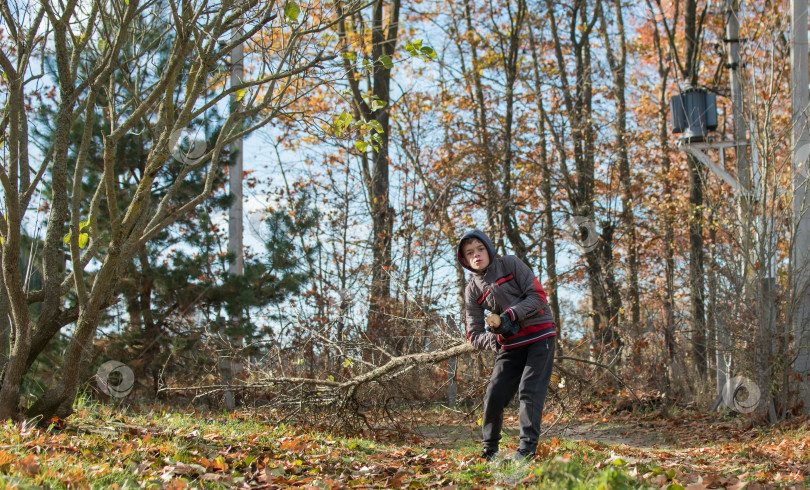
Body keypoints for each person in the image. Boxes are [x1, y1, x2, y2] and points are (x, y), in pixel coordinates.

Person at [456, 230, 556, 463]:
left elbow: (538, 296)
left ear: (489, 249)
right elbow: (474, 335)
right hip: (510, 345)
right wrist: (498, 338)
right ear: (465, 260)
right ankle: (489, 451)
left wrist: (511, 315)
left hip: (541, 335)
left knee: (529, 390)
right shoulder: (472, 289)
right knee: (494, 394)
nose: (476, 255)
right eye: (470, 253)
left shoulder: (510, 263)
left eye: (480, 249)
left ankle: (526, 451)